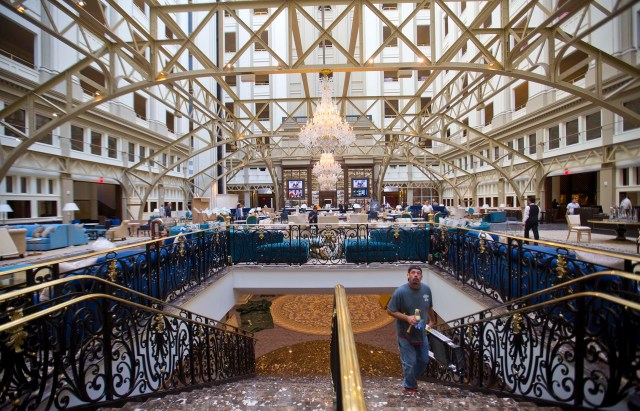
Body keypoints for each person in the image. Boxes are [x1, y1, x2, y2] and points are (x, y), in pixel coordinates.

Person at [387, 266, 436, 393]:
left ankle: (409, 377)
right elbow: (390, 310)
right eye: (413, 273)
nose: (415, 275)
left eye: (418, 273)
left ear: (421, 277)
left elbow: (429, 306)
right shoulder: (400, 292)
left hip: (421, 332)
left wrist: (432, 320)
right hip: (405, 334)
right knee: (410, 362)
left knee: (424, 360)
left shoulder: (426, 290)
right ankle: (409, 386)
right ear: (408, 275)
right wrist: (407, 318)